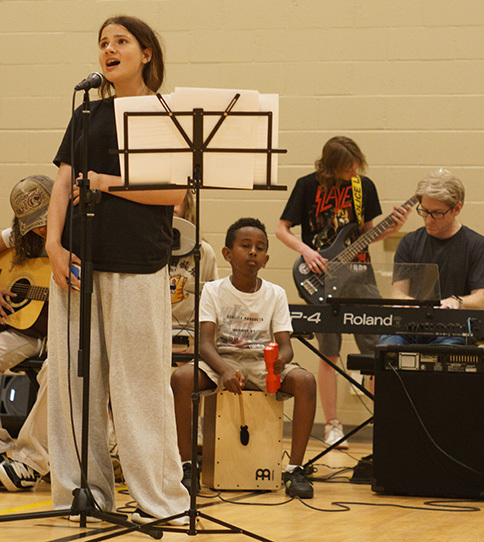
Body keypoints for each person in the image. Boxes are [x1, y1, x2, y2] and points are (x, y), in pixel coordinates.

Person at [45, 15, 189, 525]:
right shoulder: (87, 112)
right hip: (77, 262)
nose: (109, 49)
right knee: (73, 386)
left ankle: (160, 501)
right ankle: (81, 492)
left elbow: (173, 194)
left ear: (146, 52)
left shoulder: (165, 114)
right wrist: (52, 244)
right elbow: (63, 183)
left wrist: (108, 182)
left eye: (121, 41)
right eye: (103, 42)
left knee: (140, 387)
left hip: (137, 263)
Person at [276, 136, 409, 448]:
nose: (354, 173)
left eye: (356, 167)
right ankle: (332, 425)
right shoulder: (307, 186)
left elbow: (368, 235)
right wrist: (306, 251)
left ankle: (383, 421)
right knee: (329, 351)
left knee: (377, 350)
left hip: (360, 275)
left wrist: (392, 228)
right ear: (330, 166)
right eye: (348, 169)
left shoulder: (364, 187)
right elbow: (282, 229)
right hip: (321, 275)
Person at [171, 217, 317, 499]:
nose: (253, 252)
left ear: (266, 259)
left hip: (262, 363)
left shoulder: (276, 293)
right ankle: (187, 466)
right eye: (245, 245)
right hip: (221, 360)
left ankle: (294, 469)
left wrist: (281, 360)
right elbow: (205, 344)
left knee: (306, 381)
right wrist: (225, 370)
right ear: (227, 253)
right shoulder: (213, 290)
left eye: (260, 248)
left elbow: (286, 346)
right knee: (180, 378)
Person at [379, 169, 484, 346]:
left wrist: (456, 301)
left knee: (444, 352)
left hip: (453, 329)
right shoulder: (409, 242)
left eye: (436, 213)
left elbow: (481, 298)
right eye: (424, 211)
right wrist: (412, 304)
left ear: (457, 209)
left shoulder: (477, 245)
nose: (428, 220)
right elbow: (398, 293)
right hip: (410, 328)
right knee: (388, 347)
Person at [0, 175, 53, 492]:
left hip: (65, 333)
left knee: (57, 372)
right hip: (26, 330)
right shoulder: (19, 237)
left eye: (45, 220)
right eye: (34, 224)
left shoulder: (84, 234)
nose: (42, 229)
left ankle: (29, 461)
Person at [170, 190, 218, 356]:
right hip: (154, 332)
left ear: (187, 204)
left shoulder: (204, 251)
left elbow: (212, 300)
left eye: (176, 199)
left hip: (189, 334)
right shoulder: (145, 250)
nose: (170, 205)